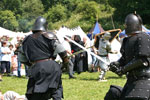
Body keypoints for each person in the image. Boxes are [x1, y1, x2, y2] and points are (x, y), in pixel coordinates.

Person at [105, 13, 150, 100]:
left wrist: (123, 69)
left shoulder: (143, 37)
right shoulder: (127, 40)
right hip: (131, 81)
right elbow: (125, 59)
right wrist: (117, 64)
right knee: (113, 93)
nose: (125, 26)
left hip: (144, 80)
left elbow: (142, 60)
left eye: (127, 25)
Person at [22, 16, 68, 100]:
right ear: (45, 26)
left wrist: (32, 65)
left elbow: (22, 58)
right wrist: (65, 64)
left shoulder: (26, 39)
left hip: (36, 67)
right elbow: (62, 52)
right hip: (52, 66)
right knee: (56, 88)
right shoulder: (49, 36)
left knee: (35, 91)